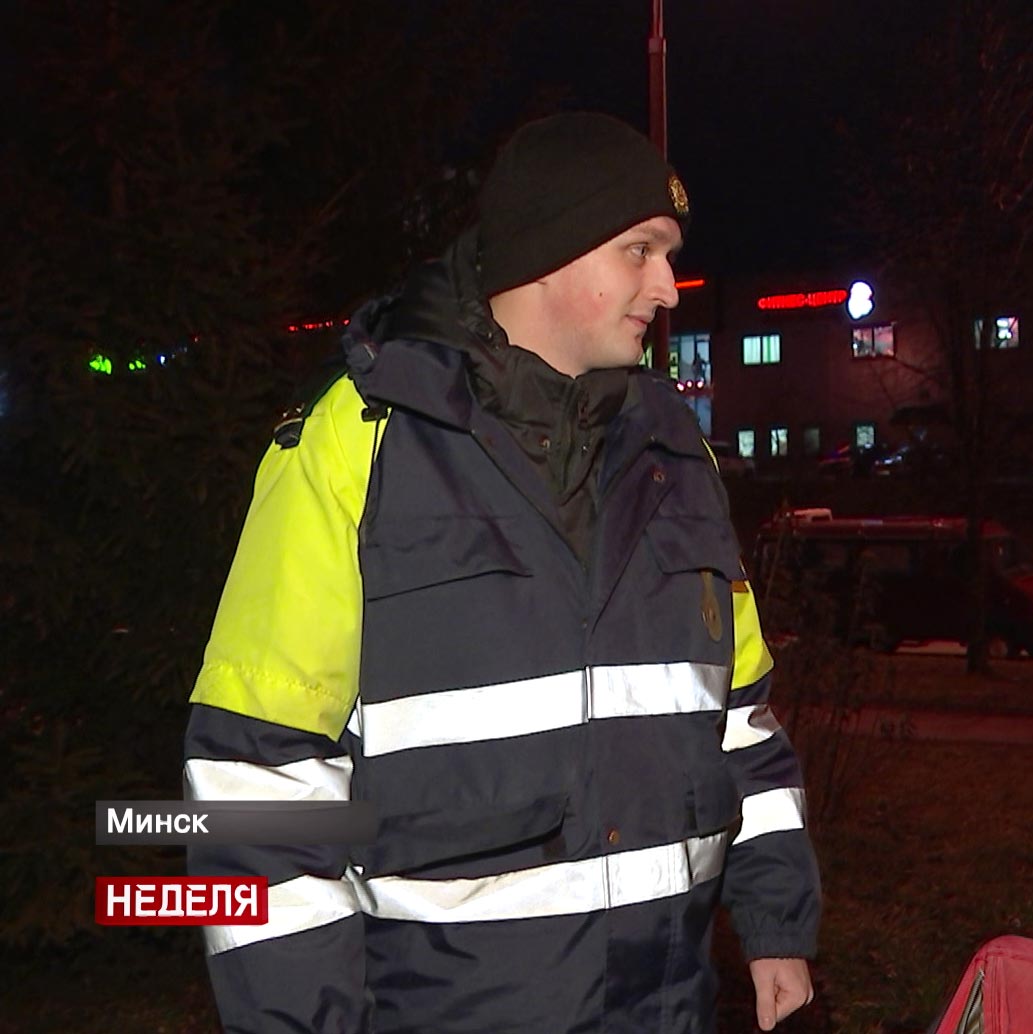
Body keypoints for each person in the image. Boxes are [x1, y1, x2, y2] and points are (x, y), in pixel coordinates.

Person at [183, 112, 819, 1033]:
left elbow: (742, 724)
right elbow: (256, 779)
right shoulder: (356, 444)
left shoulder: (680, 457)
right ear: (549, 254)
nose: (669, 286)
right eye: (641, 250)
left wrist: (776, 924)